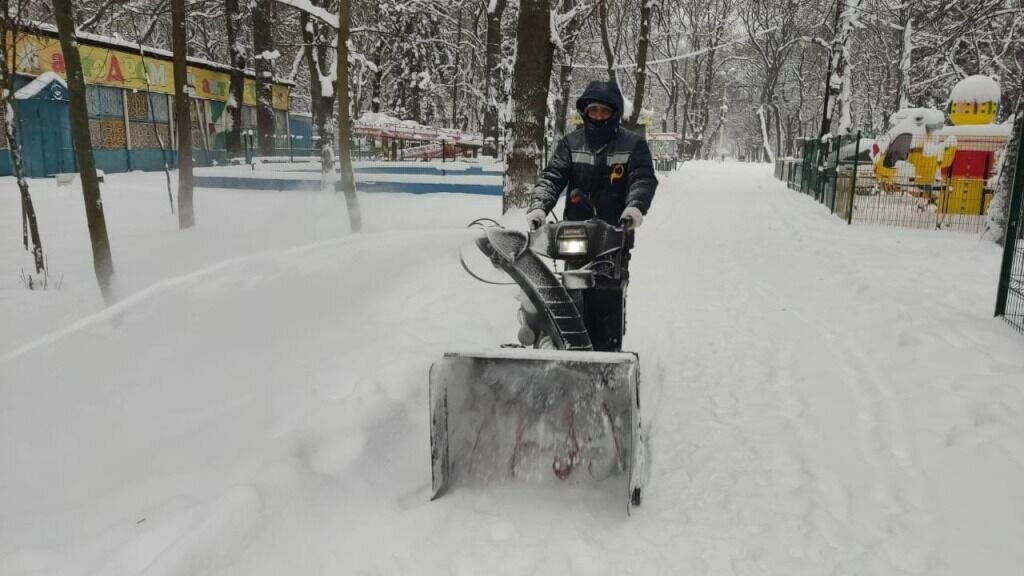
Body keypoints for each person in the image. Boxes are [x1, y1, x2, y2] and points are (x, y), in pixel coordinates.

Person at [525, 80, 657, 351]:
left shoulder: (633, 145)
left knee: (607, 290)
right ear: (585, 112)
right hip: (575, 232)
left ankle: (608, 347)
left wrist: (633, 209)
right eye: (593, 111)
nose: (598, 116)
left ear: (614, 113)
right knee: (571, 289)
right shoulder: (570, 144)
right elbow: (553, 176)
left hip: (613, 232)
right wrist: (539, 206)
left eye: (603, 111)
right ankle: (569, 345)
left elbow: (642, 179)